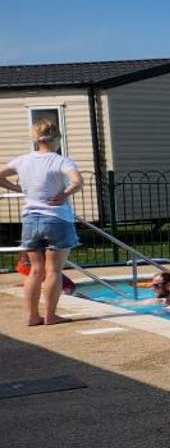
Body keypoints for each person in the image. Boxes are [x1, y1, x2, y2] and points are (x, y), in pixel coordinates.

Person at [2, 120, 83, 327]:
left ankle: (32, 316)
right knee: (54, 270)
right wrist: (64, 194)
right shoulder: (61, 161)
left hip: (31, 219)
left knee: (35, 270)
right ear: (57, 139)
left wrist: (17, 189)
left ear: (35, 139)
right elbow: (77, 182)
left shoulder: (23, 161)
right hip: (57, 218)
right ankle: (50, 315)